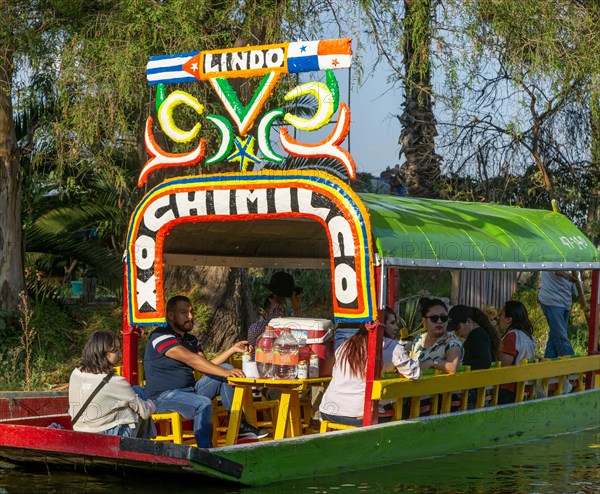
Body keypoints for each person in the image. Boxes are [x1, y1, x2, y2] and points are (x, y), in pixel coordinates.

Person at [143, 295, 267, 448]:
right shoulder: (160, 336)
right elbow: (191, 360)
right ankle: (206, 451)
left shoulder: (192, 340)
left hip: (191, 391)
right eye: (184, 312)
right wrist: (224, 372)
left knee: (227, 369)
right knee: (203, 402)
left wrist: (232, 350)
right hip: (163, 398)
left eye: (191, 312)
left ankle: (239, 424)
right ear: (170, 315)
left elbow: (206, 365)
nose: (190, 316)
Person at [319, 313, 421, 427]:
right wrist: (433, 363)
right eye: (392, 323)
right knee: (399, 412)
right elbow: (415, 373)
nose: (396, 327)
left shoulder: (347, 343)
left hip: (327, 411)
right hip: (359, 417)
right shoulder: (391, 346)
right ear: (381, 325)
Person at [69, 331, 156, 438]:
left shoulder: (76, 373)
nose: (120, 354)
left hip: (79, 430)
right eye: (115, 351)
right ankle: (145, 447)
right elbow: (145, 412)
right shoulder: (114, 381)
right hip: (106, 436)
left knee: (131, 400)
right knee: (139, 392)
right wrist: (152, 404)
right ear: (102, 353)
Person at [247, 272, 303, 349]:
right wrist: (270, 316)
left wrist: (297, 308)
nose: (279, 314)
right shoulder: (255, 328)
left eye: (282, 310)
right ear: (265, 311)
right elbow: (255, 332)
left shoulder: (286, 326)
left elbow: (300, 328)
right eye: (276, 310)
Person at [497, 300, 536, 404]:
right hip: (524, 386)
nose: (498, 317)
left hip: (509, 390)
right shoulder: (528, 337)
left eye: (501, 314)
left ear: (509, 319)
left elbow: (505, 366)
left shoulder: (511, 336)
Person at [411, 298, 463, 374]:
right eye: (434, 318)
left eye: (443, 318)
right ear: (424, 320)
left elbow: (452, 367)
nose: (439, 321)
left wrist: (432, 363)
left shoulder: (452, 343)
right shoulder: (419, 339)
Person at [448, 305, 502, 370]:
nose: (457, 333)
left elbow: (484, 362)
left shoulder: (477, 335)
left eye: (458, 328)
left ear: (468, 321)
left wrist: (459, 364)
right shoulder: (480, 333)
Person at [539, 271, 578, 358]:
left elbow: (576, 276)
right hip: (552, 299)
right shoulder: (554, 257)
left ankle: (548, 367)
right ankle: (572, 368)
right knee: (561, 337)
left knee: (554, 336)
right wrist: (567, 276)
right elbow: (555, 269)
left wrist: (579, 295)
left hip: (565, 301)